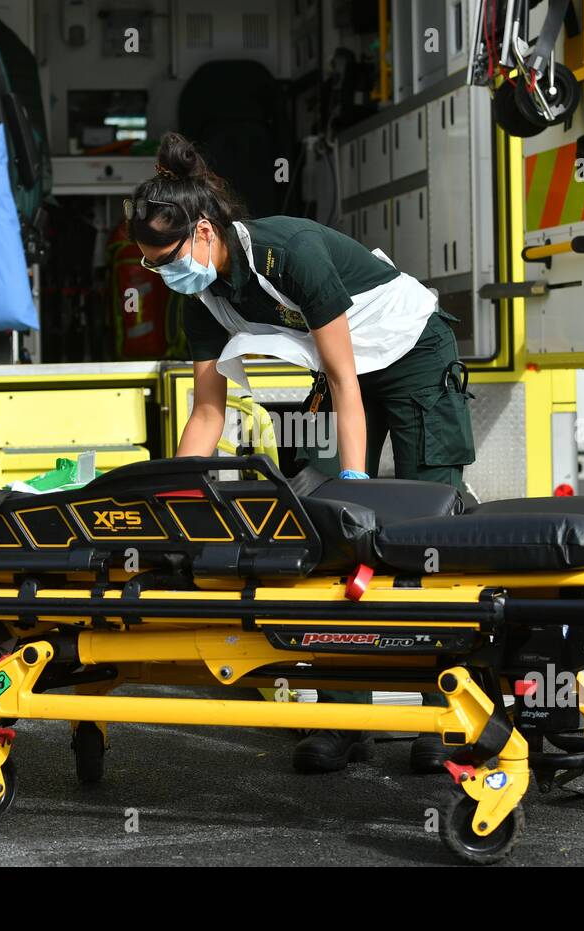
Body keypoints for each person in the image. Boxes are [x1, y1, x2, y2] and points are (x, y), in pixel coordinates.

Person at [125, 132, 477, 775]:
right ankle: (345, 719)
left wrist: (351, 484)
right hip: (351, 371)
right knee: (336, 558)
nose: (163, 274)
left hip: (412, 355)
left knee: (428, 535)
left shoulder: (292, 253)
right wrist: (171, 496)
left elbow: (346, 381)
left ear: (205, 232)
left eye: (167, 258)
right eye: (151, 266)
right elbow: (208, 411)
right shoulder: (201, 296)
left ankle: (450, 717)